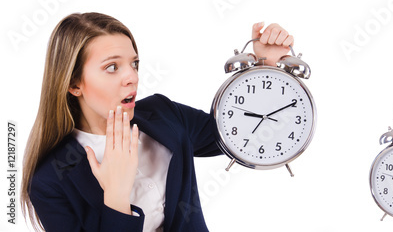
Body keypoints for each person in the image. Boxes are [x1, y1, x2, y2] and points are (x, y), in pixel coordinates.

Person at [21, 12, 295, 231]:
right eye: (112, 67)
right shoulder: (48, 181)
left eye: (134, 63)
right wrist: (116, 196)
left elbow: (244, 134)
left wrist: (265, 68)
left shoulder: (163, 114)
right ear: (73, 84)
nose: (132, 77)